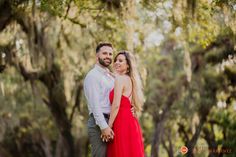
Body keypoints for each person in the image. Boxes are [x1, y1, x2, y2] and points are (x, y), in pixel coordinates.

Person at [106, 51, 145, 157]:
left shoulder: (120, 79)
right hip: (130, 122)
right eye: (116, 60)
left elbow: (116, 105)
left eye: (120, 61)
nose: (116, 63)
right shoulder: (130, 80)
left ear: (128, 65)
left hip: (121, 122)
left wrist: (108, 126)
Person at [83, 42, 115, 157]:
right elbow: (95, 105)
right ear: (97, 56)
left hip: (111, 122)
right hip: (99, 123)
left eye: (110, 54)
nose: (108, 56)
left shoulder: (110, 77)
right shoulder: (93, 76)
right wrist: (104, 126)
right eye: (104, 53)